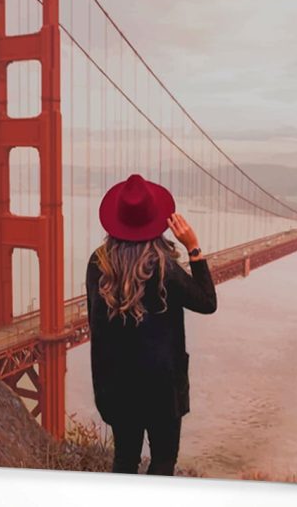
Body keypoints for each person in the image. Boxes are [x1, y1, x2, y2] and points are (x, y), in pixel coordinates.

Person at [85, 173, 218, 476]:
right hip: (162, 388)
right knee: (162, 462)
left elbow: (94, 320)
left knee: (124, 460)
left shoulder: (98, 263)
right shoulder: (164, 268)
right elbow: (207, 302)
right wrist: (193, 248)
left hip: (116, 386)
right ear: (154, 221)